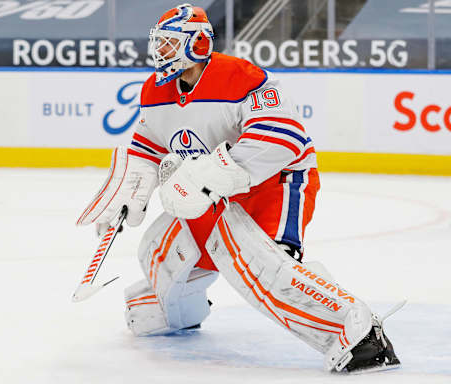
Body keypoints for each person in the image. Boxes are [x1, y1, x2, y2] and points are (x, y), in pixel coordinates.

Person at [76, 3, 400, 373]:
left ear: (197, 44)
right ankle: (177, 311)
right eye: (159, 43)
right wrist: (130, 188)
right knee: (159, 252)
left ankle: (358, 334)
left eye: (168, 43)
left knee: (263, 267)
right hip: (211, 194)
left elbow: (284, 138)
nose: (159, 51)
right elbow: (148, 143)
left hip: (273, 184)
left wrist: (203, 175)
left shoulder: (241, 77)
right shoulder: (156, 90)